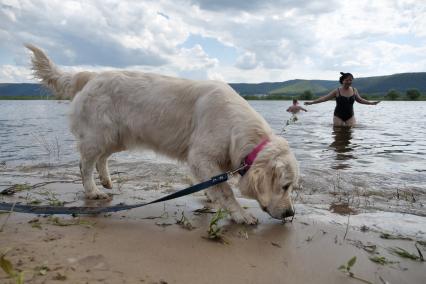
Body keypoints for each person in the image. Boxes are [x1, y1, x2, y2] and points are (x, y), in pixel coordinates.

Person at [304, 72, 380, 126]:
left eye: (350, 80)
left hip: (350, 115)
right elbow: (324, 98)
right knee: (338, 135)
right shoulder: (337, 91)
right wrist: (312, 102)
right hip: (338, 115)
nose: (349, 82)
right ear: (342, 81)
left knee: (350, 135)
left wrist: (371, 103)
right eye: (347, 80)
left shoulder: (354, 90)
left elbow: (360, 100)